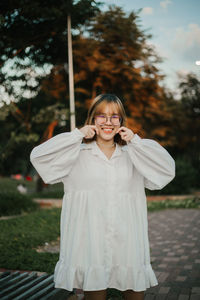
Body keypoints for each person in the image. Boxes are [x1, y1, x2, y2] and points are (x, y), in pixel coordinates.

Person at [30, 94, 175, 300]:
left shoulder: (134, 154)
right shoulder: (76, 153)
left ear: (121, 122)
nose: (108, 122)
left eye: (114, 116)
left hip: (128, 242)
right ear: (92, 120)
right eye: (102, 116)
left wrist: (135, 141)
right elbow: (38, 157)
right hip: (91, 244)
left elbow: (167, 169)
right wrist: (76, 135)